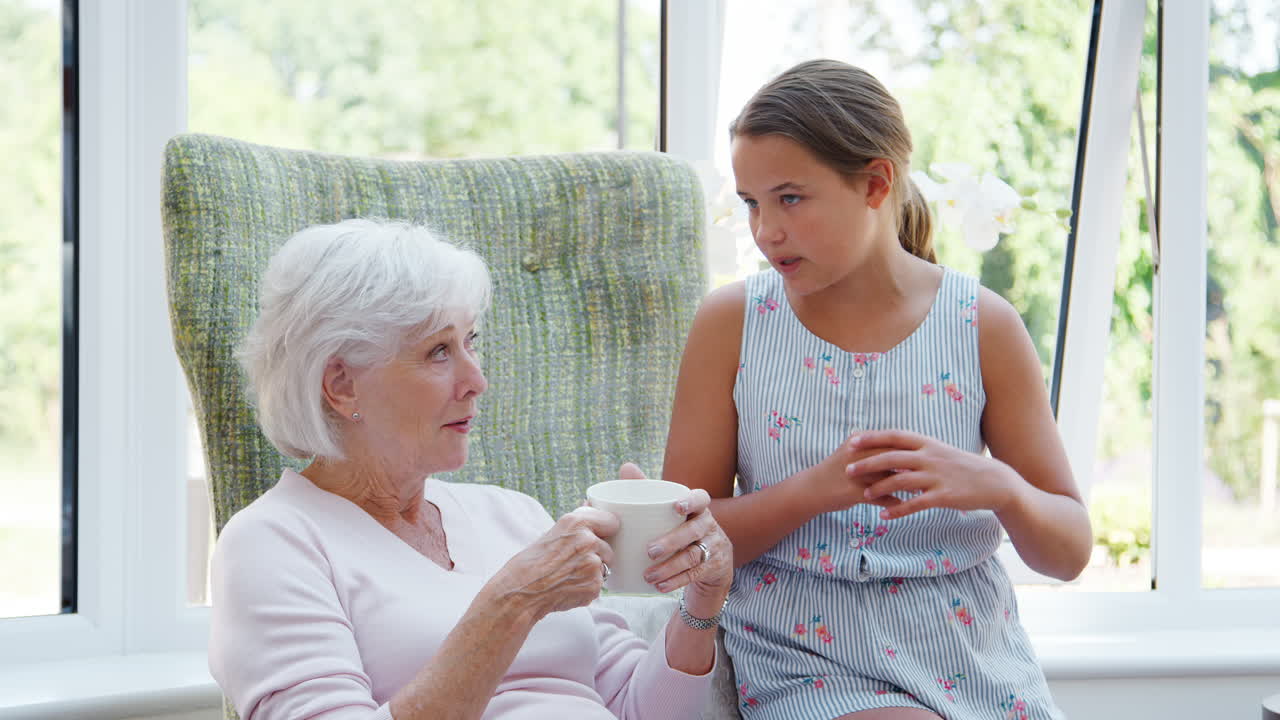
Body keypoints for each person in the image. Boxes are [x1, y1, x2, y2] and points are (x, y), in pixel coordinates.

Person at [662, 59, 1089, 720]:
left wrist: (998, 486)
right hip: (805, 656)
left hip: (975, 659)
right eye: (752, 203)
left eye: (790, 198)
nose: (765, 230)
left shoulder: (984, 327)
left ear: (876, 183)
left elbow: (1069, 551)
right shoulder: (732, 324)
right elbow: (684, 542)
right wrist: (814, 491)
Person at [208, 218, 734, 720]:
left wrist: (702, 601)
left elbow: (642, 710)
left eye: (471, 343)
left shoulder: (513, 515)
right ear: (342, 384)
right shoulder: (272, 542)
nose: (476, 379)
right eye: (438, 351)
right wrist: (514, 601)